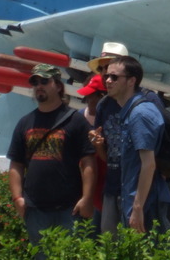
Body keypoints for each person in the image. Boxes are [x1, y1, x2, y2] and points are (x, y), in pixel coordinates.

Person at [7, 64, 96, 251]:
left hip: (69, 209)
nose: (39, 85)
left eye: (44, 81)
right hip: (35, 209)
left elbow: (88, 161)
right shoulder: (25, 122)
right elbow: (16, 164)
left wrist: (87, 198)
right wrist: (17, 198)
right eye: (35, 82)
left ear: (57, 85)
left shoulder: (76, 121)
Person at [104, 55, 170, 234]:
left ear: (131, 81)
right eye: (107, 77)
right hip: (138, 202)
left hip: (147, 206)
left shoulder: (139, 114)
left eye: (114, 77)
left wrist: (137, 207)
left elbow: (148, 164)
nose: (108, 81)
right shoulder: (132, 111)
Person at [77, 74, 107, 232]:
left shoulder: (111, 119)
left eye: (91, 95)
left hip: (105, 186)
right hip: (85, 188)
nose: (88, 99)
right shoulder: (79, 117)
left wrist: (99, 146)